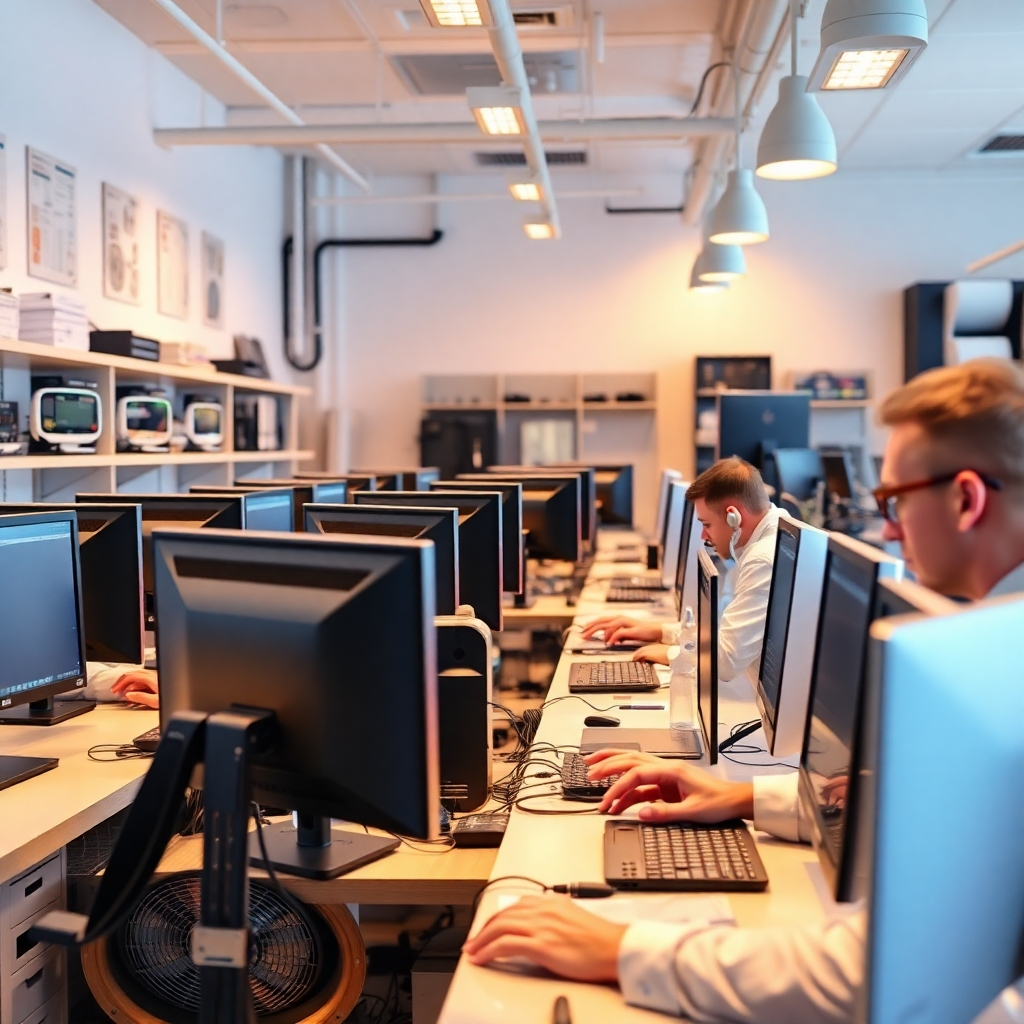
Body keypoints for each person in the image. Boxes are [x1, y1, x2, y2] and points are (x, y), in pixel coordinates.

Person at [464, 359, 1024, 1022]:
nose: (891, 529)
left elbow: (869, 977)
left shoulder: (998, 669)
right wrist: (746, 796)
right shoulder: (996, 645)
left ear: (966, 498)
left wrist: (623, 949)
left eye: (894, 499)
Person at [582, 456, 786, 685]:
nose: (703, 536)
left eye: (706, 524)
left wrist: (671, 654)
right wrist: (661, 632)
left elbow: (726, 660)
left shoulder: (763, 558)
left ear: (734, 516)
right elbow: (725, 632)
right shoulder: (767, 540)